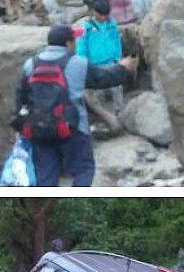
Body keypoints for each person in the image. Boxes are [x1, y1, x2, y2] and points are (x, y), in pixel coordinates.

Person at [15, 25, 134, 187]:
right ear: (68, 43)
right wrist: (123, 68)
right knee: (83, 170)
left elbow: (21, 98)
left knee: (45, 175)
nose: (77, 43)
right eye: (74, 39)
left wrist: (20, 126)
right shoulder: (78, 63)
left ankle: (49, 210)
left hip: (38, 129)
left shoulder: (30, 65)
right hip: (73, 128)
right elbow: (103, 79)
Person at [75, 0, 137, 113]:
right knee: (98, 92)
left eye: (106, 15)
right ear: (94, 12)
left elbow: (117, 42)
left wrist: (118, 58)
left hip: (112, 63)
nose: (104, 17)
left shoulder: (112, 25)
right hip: (95, 65)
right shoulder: (87, 27)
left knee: (117, 89)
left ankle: (120, 112)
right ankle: (102, 114)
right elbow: (82, 46)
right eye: (101, 15)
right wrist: (82, 61)